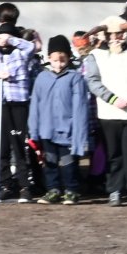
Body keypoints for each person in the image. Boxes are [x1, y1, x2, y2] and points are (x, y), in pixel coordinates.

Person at [84, 15, 127, 206]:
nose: (115, 37)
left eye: (119, 33)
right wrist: (113, 99)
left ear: (125, 33)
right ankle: (114, 191)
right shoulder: (96, 56)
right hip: (109, 113)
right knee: (114, 155)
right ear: (105, 35)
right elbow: (93, 82)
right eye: (110, 34)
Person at [30, 37, 91, 204]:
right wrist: (33, 130)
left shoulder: (75, 78)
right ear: (49, 58)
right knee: (49, 162)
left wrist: (79, 133)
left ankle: (71, 190)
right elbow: (35, 104)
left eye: (62, 60)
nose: (58, 64)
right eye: (55, 60)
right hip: (47, 129)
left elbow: (80, 107)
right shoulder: (42, 78)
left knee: (68, 163)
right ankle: (53, 189)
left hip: (68, 129)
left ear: (68, 58)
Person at [0, 27, 38, 202]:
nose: (1, 41)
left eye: (3, 38)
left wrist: (11, 39)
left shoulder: (21, 53)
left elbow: (32, 47)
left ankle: (24, 187)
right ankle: (5, 184)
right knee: (1, 147)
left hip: (18, 105)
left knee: (19, 145)